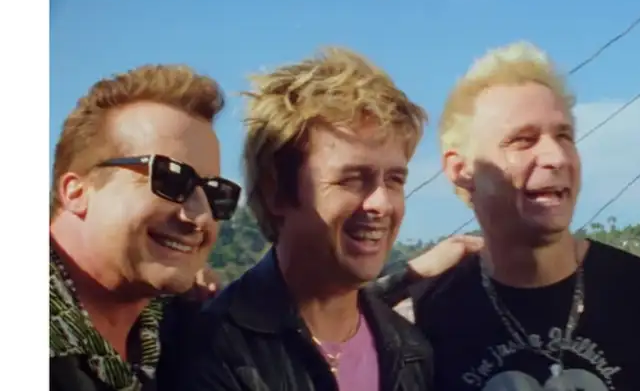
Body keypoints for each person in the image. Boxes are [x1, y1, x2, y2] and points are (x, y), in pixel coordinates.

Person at [387, 41, 640, 391]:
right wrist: (397, 281)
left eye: (564, 136)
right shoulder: (418, 319)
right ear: (461, 169)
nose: (556, 157)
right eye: (523, 140)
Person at [162, 47, 440, 391]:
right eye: (353, 179)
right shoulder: (211, 350)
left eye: (395, 180)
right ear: (276, 192)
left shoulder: (411, 353)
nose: (381, 204)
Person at [50, 64, 242, 391]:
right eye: (170, 179)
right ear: (77, 192)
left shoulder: (184, 335)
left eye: (215, 192)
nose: (200, 218)